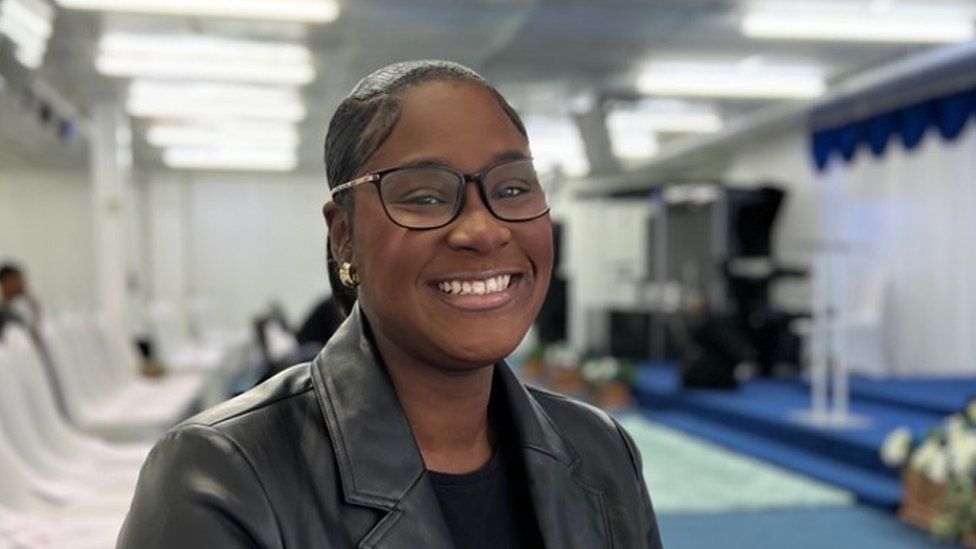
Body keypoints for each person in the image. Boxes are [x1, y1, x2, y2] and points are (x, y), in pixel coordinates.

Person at [117, 60, 662, 549]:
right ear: (344, 236)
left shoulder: (601, 451)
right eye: (425, 197)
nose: (483, 229)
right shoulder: (223, 475)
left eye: (514, 188)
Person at [0, 262, 41, 338]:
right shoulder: (5, 314)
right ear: (6, 282)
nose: (23, 283)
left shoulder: (18, 310)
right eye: (18, 279)